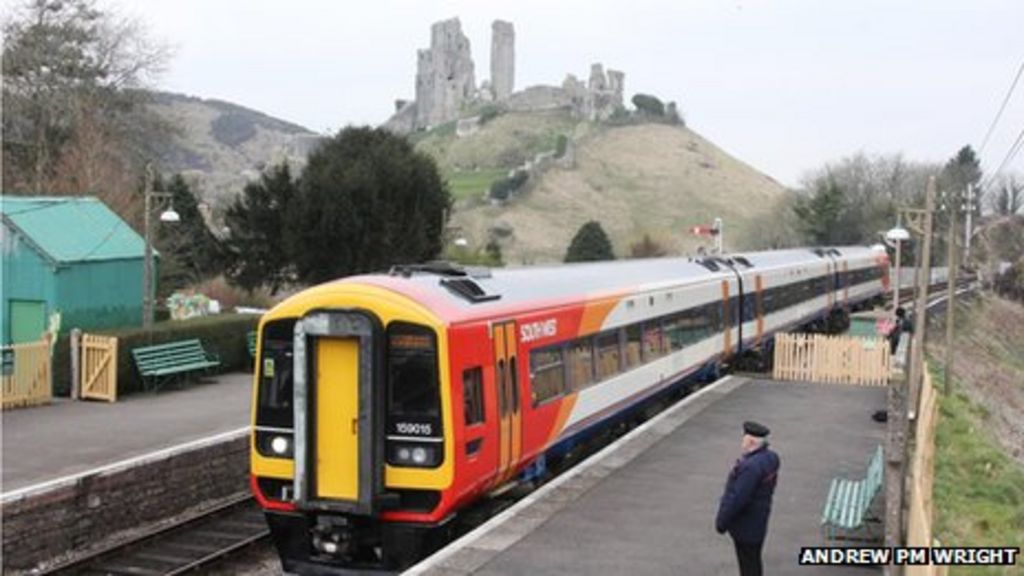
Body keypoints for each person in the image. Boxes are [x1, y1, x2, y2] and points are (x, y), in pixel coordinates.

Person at [715, 421, 781, 576]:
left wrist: (721, 522)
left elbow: (738, 498)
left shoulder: (750, 467)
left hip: (746, 526)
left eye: (744, 439)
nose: (742, 443)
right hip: (759, 521)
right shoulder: (771, 457)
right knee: (753, 560)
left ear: (751, 442)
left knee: (748, 565)